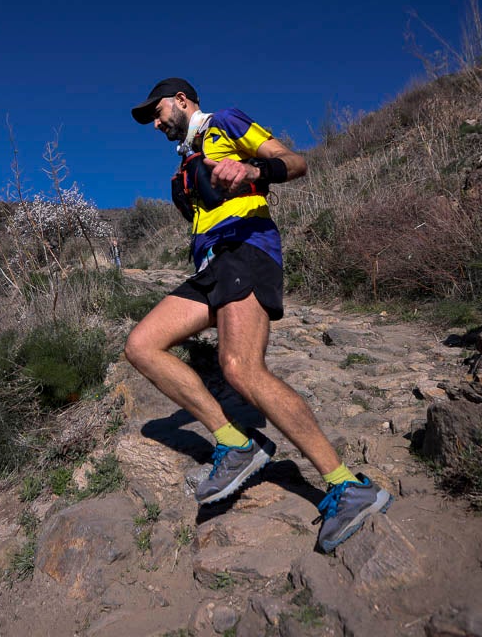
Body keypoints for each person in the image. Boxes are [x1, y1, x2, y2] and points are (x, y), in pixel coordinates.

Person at [123, 78, 391, 553]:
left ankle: (347, 484)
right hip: (212, 265)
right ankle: (235, 444)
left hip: (246, 249)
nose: (157, 122)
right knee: (141, 345)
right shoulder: (182, 171)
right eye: (151, 119)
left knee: (240, 367)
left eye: (159, 111)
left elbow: (296, 162)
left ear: (182, 101)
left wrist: (250, 170)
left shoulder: (225, 122)